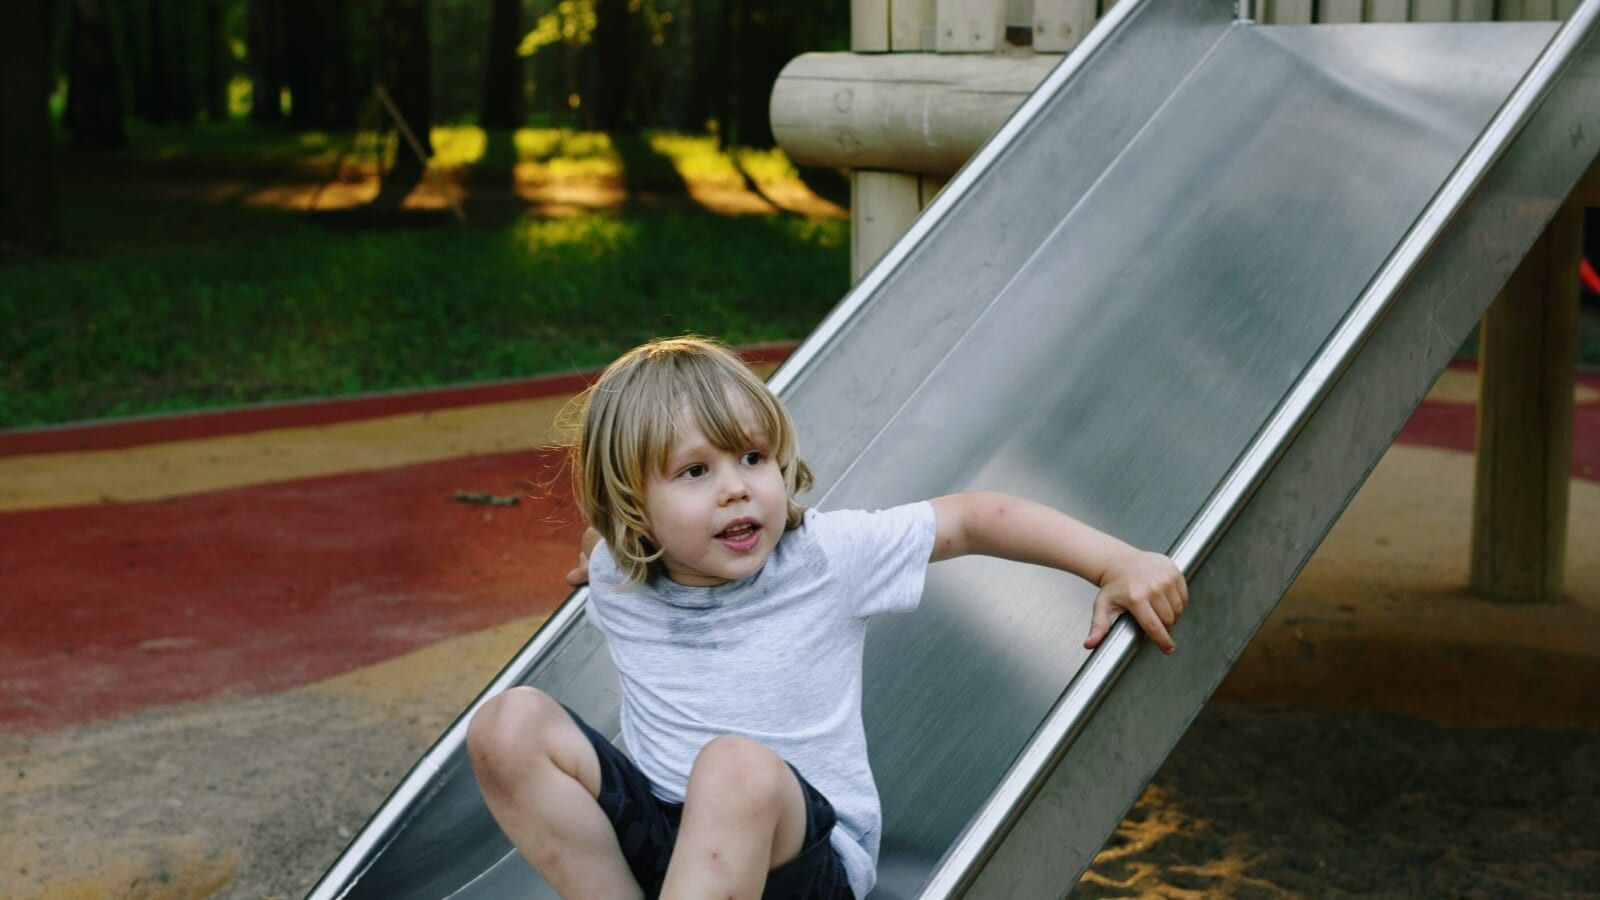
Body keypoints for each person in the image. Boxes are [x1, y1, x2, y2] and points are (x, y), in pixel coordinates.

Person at [465, 336, 1187, 900]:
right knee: (507, 724)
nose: (736, 490)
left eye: (753, 457)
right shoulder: (619, 572)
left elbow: (973, 519)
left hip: (800, 865)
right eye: (695, 472)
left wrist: (1113, 562)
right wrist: (603, 547)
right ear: (633, 512)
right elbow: (598, 539)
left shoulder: (825, 559)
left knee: (736, 766)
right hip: (667, 842)